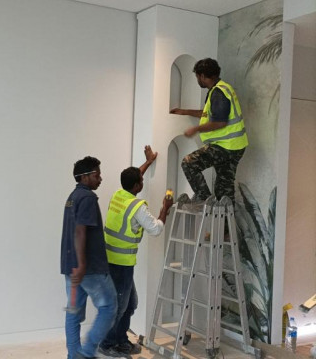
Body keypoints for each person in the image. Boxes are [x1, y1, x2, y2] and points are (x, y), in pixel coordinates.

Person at [99, 146, 174, 357]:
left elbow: (134, 175)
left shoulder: (119, 194)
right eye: (140, 181)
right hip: (121, 263)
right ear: (136, 186)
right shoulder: (137, 207)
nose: (142, 182)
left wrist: (148, 162)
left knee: (131, 303)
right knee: (119, 306)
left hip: (113, 261)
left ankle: (121, 340)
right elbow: (156, 229)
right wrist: (165, 208)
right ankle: (107, 344)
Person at [61, 156, 118, 359]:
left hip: (71, 269)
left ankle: (74, 356)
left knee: (73, 312)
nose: (100, 179)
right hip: (89, 269)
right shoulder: (87, 198)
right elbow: (80, 231)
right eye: (97, 175)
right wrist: (83, 264)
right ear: (84, 177)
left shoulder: (72, 197)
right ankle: (86, 352)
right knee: (109, 306)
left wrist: (76, 265)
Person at [170, 58, 248, 204]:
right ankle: (223, 223)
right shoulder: (221, 89)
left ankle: (205, 199)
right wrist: (184, 111)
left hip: (226, 146)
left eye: (197, 77)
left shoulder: (218, 92)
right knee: (223, 192)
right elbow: (209, 114)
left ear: (203, 76)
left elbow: (220, 122)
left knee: (189, 163)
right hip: (236, 146)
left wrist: (196, 128)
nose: (198, 80)